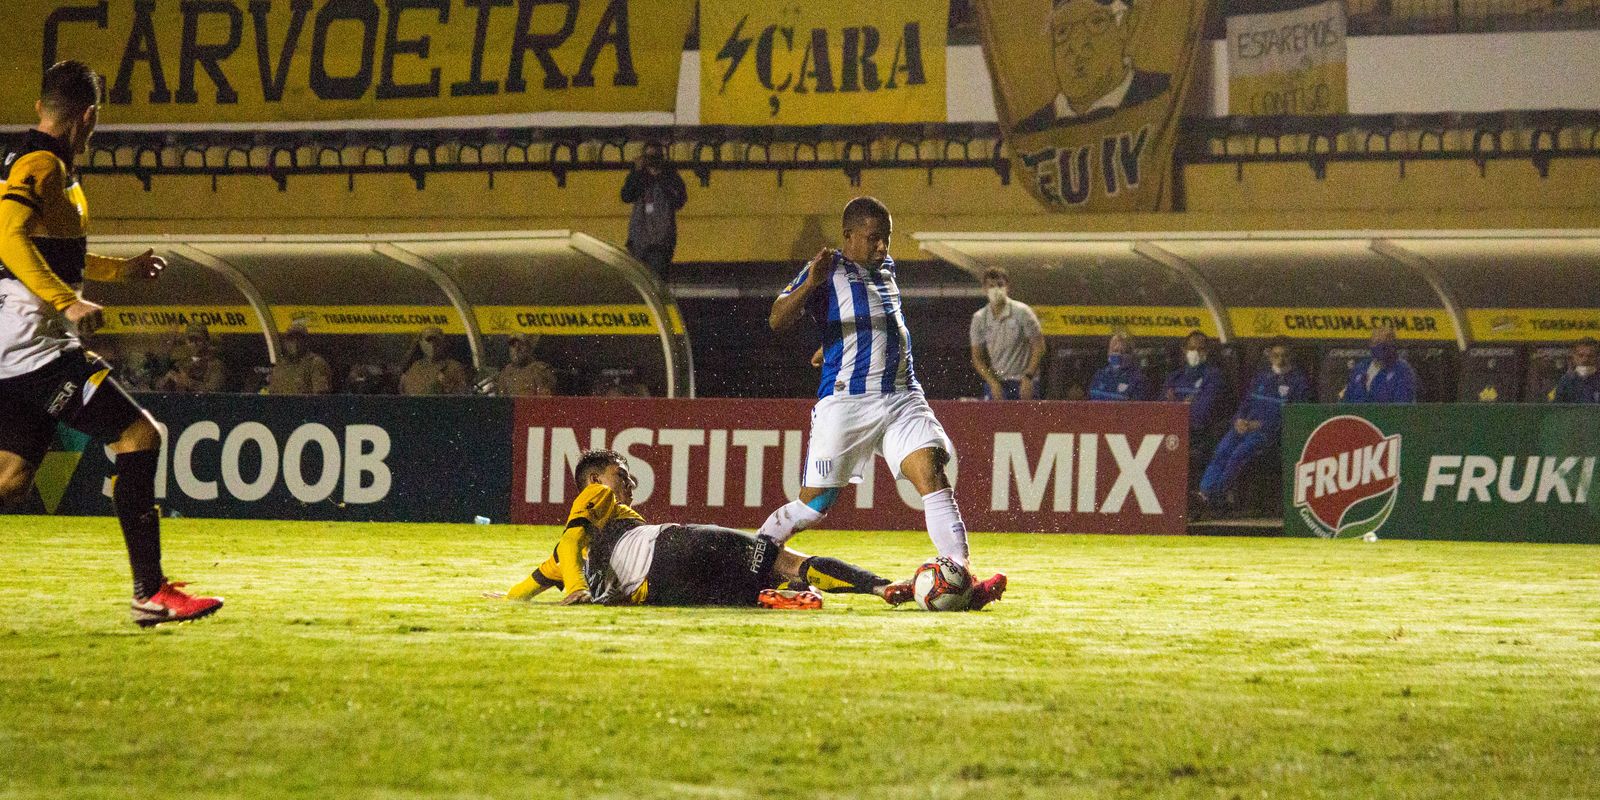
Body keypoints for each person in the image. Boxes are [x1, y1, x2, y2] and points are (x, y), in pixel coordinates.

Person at [0, 61, 221, 626]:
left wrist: (122, 271)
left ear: (40, 107)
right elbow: (7, 239)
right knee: (139, 433)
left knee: (12, 478)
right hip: (37, 347)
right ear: (89, 117)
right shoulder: (41, 164)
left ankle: (151, 589)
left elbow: (58, 255)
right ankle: (150, 592)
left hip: (21, 345)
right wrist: (65, 303)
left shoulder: (44, 168)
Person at [755, 196, 1007, 611]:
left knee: (932, 472)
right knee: (812, 506)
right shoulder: (827, 268)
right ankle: (754, 559)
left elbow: (878, 320)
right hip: (849, 403)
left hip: (901, 395)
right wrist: (810, 283)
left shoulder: (885, 268)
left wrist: (833, 344)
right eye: (873, 239)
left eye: (886, 239)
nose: (882, 248)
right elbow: (777, 319)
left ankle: (961, 575)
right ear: (849, 236)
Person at [497, 450, 910, 609]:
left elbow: (529, 586)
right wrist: (575, 589)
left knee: (743, 591)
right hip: (674, 546)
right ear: (595, 480)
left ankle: (776, 598)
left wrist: (503, 599)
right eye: (620, 473)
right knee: (784, 561)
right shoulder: (596, 498)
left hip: (660, 593)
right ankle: (880, 587)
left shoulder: (565, 555)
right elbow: (570, 542)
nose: (628, 483)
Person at [1011, 0, 1172, 134]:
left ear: (1125, 26)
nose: (1076, 46)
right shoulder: (1030, 132)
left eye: (1096, 22)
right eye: (1062, 31)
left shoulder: (1167, 96)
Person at [1196, 338, 1311, 510]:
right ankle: (1204, 492)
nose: (1280, 359)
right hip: (1244, 427)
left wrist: (1260, 425)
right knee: (1222, 450)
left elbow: (1294, 415)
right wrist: (1238, 420)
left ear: (1291, 356)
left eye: (1285, 355)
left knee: (1238, 453)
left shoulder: (1299, 382)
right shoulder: (1261, 377)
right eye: (1276, 355)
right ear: (1270, 357)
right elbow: (1245, 403)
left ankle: (1215, 495)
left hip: (1268, 433)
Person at [969, 266, 1045, 400]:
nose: (996, 289)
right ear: (984, 289)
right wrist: (992, 382)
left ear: (1007, 287)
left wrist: (1029, 377)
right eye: (991, 286)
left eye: (1000, 285)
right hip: (997, 381)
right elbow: (977, 357)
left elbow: (1039, 346)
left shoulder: (1022, 312)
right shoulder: (979, 318)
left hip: (1023, 380)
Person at [1161, 331, 1226, 481]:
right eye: (1191, 348)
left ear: (1207, 351)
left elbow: (1200, 413)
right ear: (1184, 350)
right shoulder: (1174, 376)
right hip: (1168, 429)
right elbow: (1160, 407)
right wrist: (1184, 404)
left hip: (1196, 434)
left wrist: (1174, 403)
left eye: (1201, 349)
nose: (1195, 353)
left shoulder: (1213, 376)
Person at [620, 140, 688, 281]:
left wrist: (661, 176)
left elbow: (679, 200)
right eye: (649, 157)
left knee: (656, 280)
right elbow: (626, 196)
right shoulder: (640, 176)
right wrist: (637, 172)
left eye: (655, 157)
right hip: (638, 241)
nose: (652, 162)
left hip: (660, 243)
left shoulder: (670, 176)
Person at [1342, 325, 1417, 403]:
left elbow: (1402, 405)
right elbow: (1346, 398)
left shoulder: (1402, 370)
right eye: (1375, 342)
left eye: (1383, 343)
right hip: (1355, 413)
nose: (1379, 347)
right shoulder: (1361, 367)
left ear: (1392, 345)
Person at [265, 319, 331, 395]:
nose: (295, 342)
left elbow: (320, 397)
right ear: (285, 342)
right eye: (291, 339)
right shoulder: (280, 366)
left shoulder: (315, 363)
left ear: (306, 341)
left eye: (299, 338)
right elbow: (272, 396)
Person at [157, 322, 227, 393]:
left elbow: (213, 392)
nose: (194, 343)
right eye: (191, 340)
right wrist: (165, 381)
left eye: (198, 339)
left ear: (206, 341)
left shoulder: (216, 365)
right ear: (186, 341)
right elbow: (159, 389)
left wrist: (188, 382)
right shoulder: (180, 364)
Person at [400, 325, 469, 396]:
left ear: (443, 343)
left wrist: (447, 384)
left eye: (436, 341)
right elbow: (405, 392)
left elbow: (462, 394)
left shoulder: (454, 367)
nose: (433, 344)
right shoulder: (415, 367)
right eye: (429, 340)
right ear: (421, 343)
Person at [1088, 331, 1149, 401]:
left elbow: (1137, 406)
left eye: (1125, 352)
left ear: (1132, 355)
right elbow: (1091, 399)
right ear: (1109, 353)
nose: (1119, 355)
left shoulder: (1138, 379)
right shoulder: (1100, 375)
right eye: (1115, 351)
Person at [1551, 337, 1600, 403]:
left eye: (1590, 356)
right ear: (1574, 357)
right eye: (1580, 355)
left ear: (1597, 358)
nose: (1585, 359)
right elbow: (1555, 408)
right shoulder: (1566, 381)